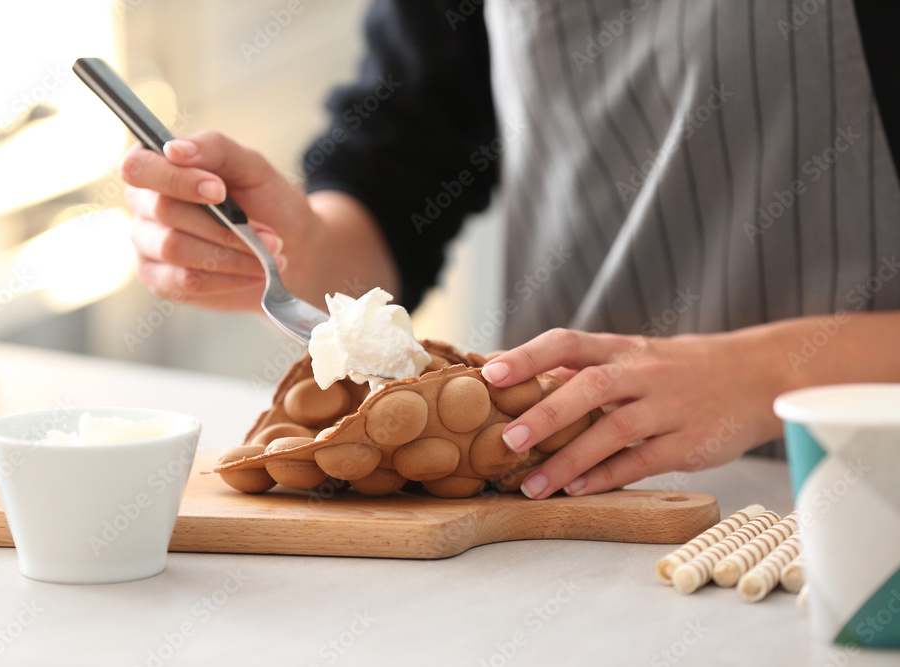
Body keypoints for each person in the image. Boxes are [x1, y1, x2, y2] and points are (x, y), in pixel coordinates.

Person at [119, 1, 900, 500]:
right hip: (559, 498)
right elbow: (396, 186)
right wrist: (291, 248)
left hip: (863, 499)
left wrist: (768, 374)